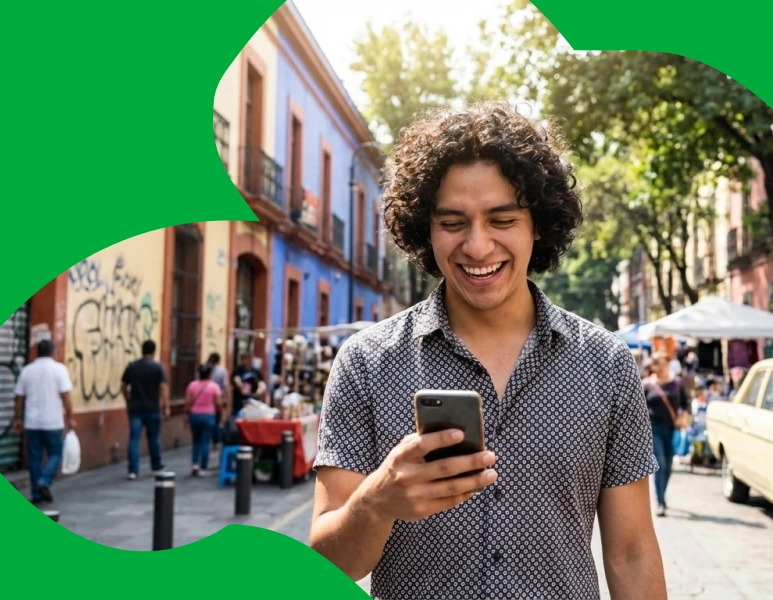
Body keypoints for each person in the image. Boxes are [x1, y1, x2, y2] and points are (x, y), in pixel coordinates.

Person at [309, 102, 665, 599]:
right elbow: (326, 564)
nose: (477, 247)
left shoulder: (605, 364)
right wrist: (377, 502)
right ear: (426, 229)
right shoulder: (366, 363)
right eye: (453, 222)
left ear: (537, 224)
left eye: (502, 219)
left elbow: (632, 552)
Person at [11, 339, 76, 505]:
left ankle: (36, 495)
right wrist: (70, 417)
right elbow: (66, 396)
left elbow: (19, 398)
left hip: (32, 422)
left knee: (34, 458)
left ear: (36, 352)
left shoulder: (27, 370)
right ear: (53, 352)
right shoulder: (59, 369)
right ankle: (44, 482)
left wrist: (17, 418)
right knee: (56, 453)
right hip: (53, 422)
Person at [643, 353, 690, 517]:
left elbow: (685, 404)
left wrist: (683, 416)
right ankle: (660, 502)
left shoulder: (676, 384)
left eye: (663, 363)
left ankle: (662, 493)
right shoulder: (647, 385)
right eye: (657, 363)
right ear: (653, 366)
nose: (660, 367)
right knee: (660, 464)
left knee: (669, 465)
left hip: (672, 429)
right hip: (653, 430)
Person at [121, 340, 169, 480]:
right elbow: (163, 388)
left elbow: (123, 387)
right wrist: (165, 406)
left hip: (135, 408)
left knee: (134, 439)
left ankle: (133, 470)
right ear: (154, 351)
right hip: (153, 408)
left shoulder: (132, 366)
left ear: (142, 350)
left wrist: (128, 401)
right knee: (153, 439)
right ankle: (156, 466)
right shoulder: (158, 367)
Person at [186, 364, 224, 476]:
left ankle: (194, 464)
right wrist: (221, 414)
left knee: (196, 441)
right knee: (205, 442)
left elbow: (188, 402)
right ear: (209, 374)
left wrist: (185, 414)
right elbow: (218, 403)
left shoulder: (192, 385)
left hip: (194, 415)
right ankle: (203, 467)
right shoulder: (214, 386)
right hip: (209, 416)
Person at [206, 352, 230, 447]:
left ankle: (209, 439)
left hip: (206, 398)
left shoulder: (205, 369)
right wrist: (226, 399)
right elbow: (226, 386)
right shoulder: (222, 371)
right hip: (218, 398)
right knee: (217, 419)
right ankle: (216, 441)